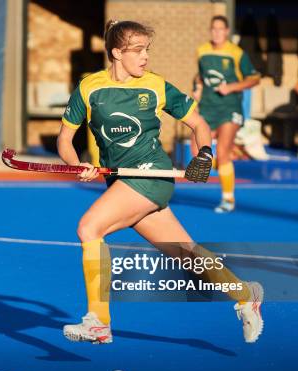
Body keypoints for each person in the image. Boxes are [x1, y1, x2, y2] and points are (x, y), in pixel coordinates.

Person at [57, 20, 264, 345]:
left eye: (146, 50)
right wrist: (75, 165)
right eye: (137, 50)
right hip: (123, 183)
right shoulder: (88, 88)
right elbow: (65, 139)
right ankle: (245, 294)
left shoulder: (155, 86)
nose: (145, 57)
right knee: (188, 255)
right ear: (116, 52)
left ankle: (99, 320)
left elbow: (198, 123)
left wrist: (205, 155)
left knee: (89, 229)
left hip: (151, 173)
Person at [193, 15, 260, 213]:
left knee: (222, 152)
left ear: (227, 31)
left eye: (220, 29)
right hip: (207, 107)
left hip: (230, 107)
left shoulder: (237, 53)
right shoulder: (202, 51)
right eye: (213, 29)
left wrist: (231, 87)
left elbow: (254, 79)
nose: (216, 32)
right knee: (198, 154)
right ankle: (224, 167)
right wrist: (197, 87)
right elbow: (200, 75)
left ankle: (228, 198)